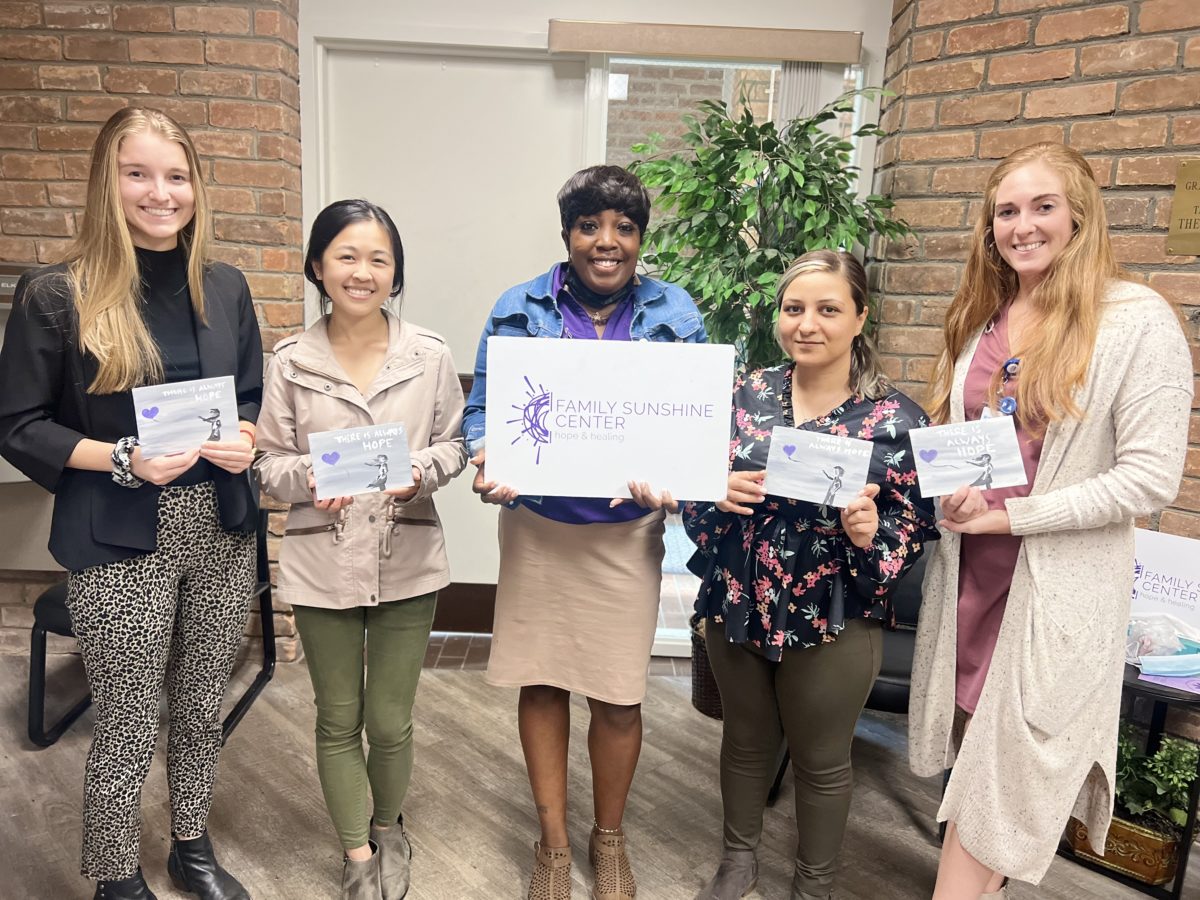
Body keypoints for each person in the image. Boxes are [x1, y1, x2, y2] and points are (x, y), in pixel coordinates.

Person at [908, 142, 1193, 899]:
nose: (1022, 225)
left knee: (998, 796)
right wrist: (958, 499)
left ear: (1080, 216)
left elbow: (1149, 477)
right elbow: (974, 443)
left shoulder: (1135, 321)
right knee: (979, 764)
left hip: (1052, 600)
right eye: (1007, 210)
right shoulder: (987, 318)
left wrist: (1012, 520)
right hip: (969, 585)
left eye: (1043, 207)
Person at [0, 107, 263, 900]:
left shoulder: (224, 284)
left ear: (196, 187)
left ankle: (190, 844)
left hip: (219, 523)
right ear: (105, 184)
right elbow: (17, 424)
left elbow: (249, 394)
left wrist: (245, 438)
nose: (161, 193)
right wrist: (120, 457)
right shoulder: (55, 294)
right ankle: (116, 875)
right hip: (118, 531)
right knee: (124, 714)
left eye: (176, 176)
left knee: (201, 701)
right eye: (138, 173)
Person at [462, 165, 705, 900]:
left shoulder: (678, 312)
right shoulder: (518, 306)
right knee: (540, 682)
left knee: (618, 695)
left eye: (624, 228)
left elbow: (697, 420)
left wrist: (679, 475)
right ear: (567, 235)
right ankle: (554, 846)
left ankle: (610, 839)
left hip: (624, 537)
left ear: (640, 238)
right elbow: (483, 412)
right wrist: (486, 453)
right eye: (589, 226)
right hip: (539, 529)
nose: (607, 242)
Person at [684, 250, 938, 900]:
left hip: (836, 617)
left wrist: (867, 533)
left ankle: (813, 885)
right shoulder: (745, 396)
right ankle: (737, 860)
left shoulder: (897, 422)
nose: (807, 324)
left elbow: (912, 529)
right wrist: (711, 491)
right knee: (744, 743)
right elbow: (691, 482)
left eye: (828, 309)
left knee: (824, 763)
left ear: (860, 317)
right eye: (794, 308)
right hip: (738, 602)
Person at [255, 199, 468, 900]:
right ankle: (356, 855)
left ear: (395, 271)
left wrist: (419, 475)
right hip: (323, 558)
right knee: (338, 715)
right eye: (347, 256)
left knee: (390, 718)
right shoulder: (290, 360)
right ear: (318, 266)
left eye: (379, 258)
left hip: (407, 553)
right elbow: (267, 464)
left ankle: (390, 826)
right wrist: (310, 477)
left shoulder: (428, 354)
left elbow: (454, 446)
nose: (363, 271)